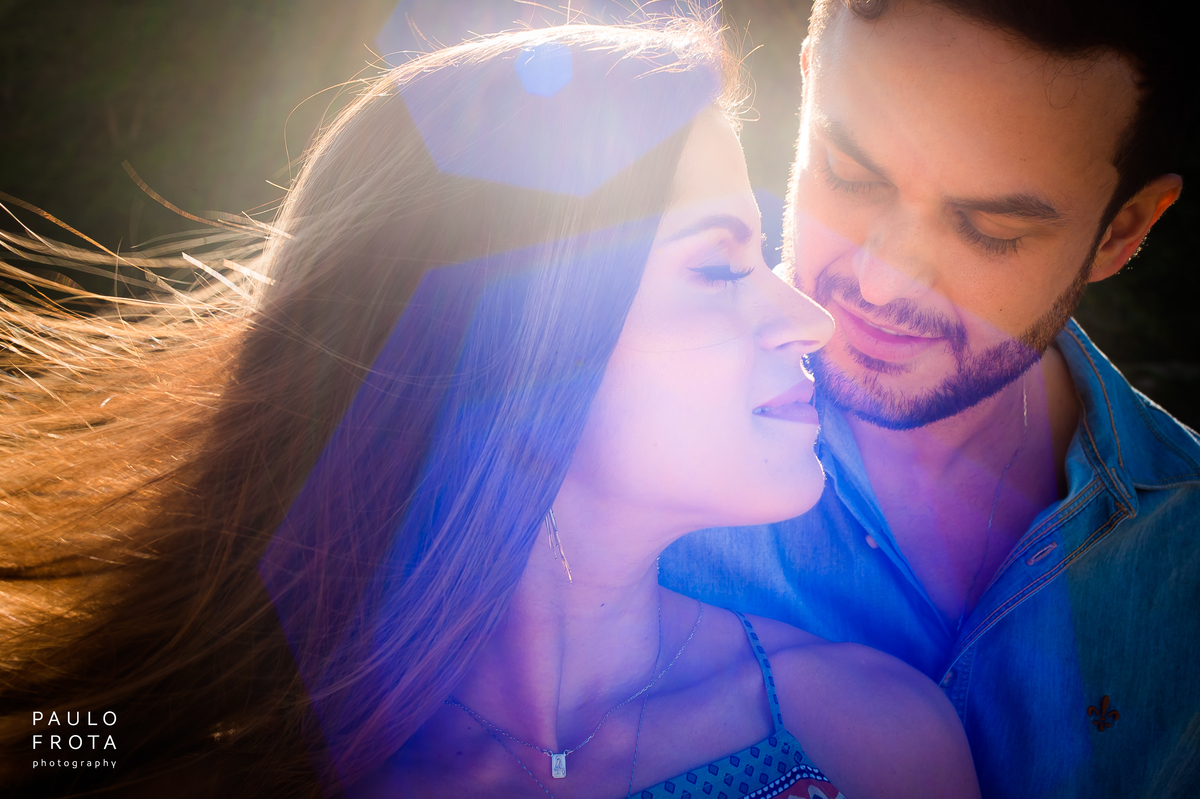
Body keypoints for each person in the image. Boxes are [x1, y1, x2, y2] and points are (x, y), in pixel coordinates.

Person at [0, 21, 978, 799]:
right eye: (719, 265)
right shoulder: (206, 766)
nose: (806, 320)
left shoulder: (876, 744)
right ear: (518, 339)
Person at [661, 0, 1200, 796]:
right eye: (849, 174)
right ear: (808, 91)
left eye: (988, 230)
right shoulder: (592, 463)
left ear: (1122, 231)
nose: (880, 281)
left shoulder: (1186, 543)